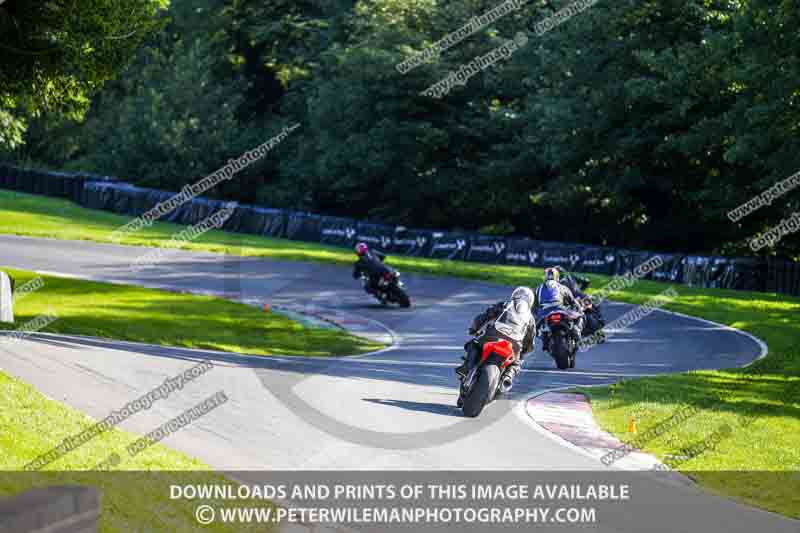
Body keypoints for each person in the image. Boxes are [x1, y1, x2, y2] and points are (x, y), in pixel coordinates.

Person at [456, 287, 536, 406]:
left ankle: (467, 367)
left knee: (474, 344)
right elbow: (530, 342)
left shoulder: (505, 304)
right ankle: (507, 379)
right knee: (517, 362)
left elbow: (485, 316)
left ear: (515, 295)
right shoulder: (530, 318)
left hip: (494, 335)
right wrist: (523, 354)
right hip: (514, 344)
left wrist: (474, 328)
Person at [533, 268, 584, 350]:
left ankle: (544, 339)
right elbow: (573, 301)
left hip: (544, 312)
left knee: (536, 327)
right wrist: (580, 310)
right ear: (557, 277)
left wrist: (534, 317)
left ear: (545, 277)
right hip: (560, 309)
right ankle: (577, 333)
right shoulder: (563, 287)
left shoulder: (537, 289)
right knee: (580, 316)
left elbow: (534, 306)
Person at [553, 265, 606, 339]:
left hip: (574, 300)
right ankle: (598, 324)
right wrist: (580, 290)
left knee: (590, 309)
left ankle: (598, 326)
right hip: (578, 298)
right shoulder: (570, 276)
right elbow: (586, 281)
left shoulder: (553, 284)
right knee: (592, 306)